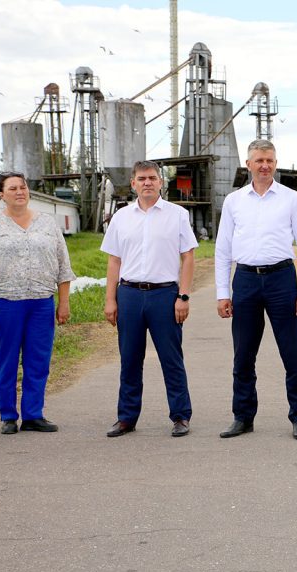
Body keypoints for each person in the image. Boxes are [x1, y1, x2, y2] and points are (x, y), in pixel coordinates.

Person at [215, 139, 297, 440]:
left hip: (281, 280)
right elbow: (222, 249)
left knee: (292, 352)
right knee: (243, 354)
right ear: (248, 164)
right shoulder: (234, 202)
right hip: (245, 280)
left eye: (270, 160)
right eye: (259, 160)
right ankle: (243, 416)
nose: (264, 166)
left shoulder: (291, 199)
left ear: (275, 163)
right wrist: (223, 292)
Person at [0, 172, 75, 434]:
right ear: (1, 194)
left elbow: (63, 265)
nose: (19, 191)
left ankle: (34, 415)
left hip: (40, 303)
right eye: (12, 188)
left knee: (38, 360)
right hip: (4, 303)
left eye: (23, 186)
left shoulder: (47, 223)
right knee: (6, 360)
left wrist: (64, 302)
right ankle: (8, 416)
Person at [101, 161, 197, 438]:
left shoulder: (177, 215)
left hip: (164, 295)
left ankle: (180, 416)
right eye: (141, 178)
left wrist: (184, 296)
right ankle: (126, 418)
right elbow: (114, 260)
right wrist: (111, 299)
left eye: (152, 178)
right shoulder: (121, 217)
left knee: (171, 358)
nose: (147, 183)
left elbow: (188, 256)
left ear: (161, 182)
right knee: (130, 358)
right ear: (133, 183)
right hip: (129, 293)